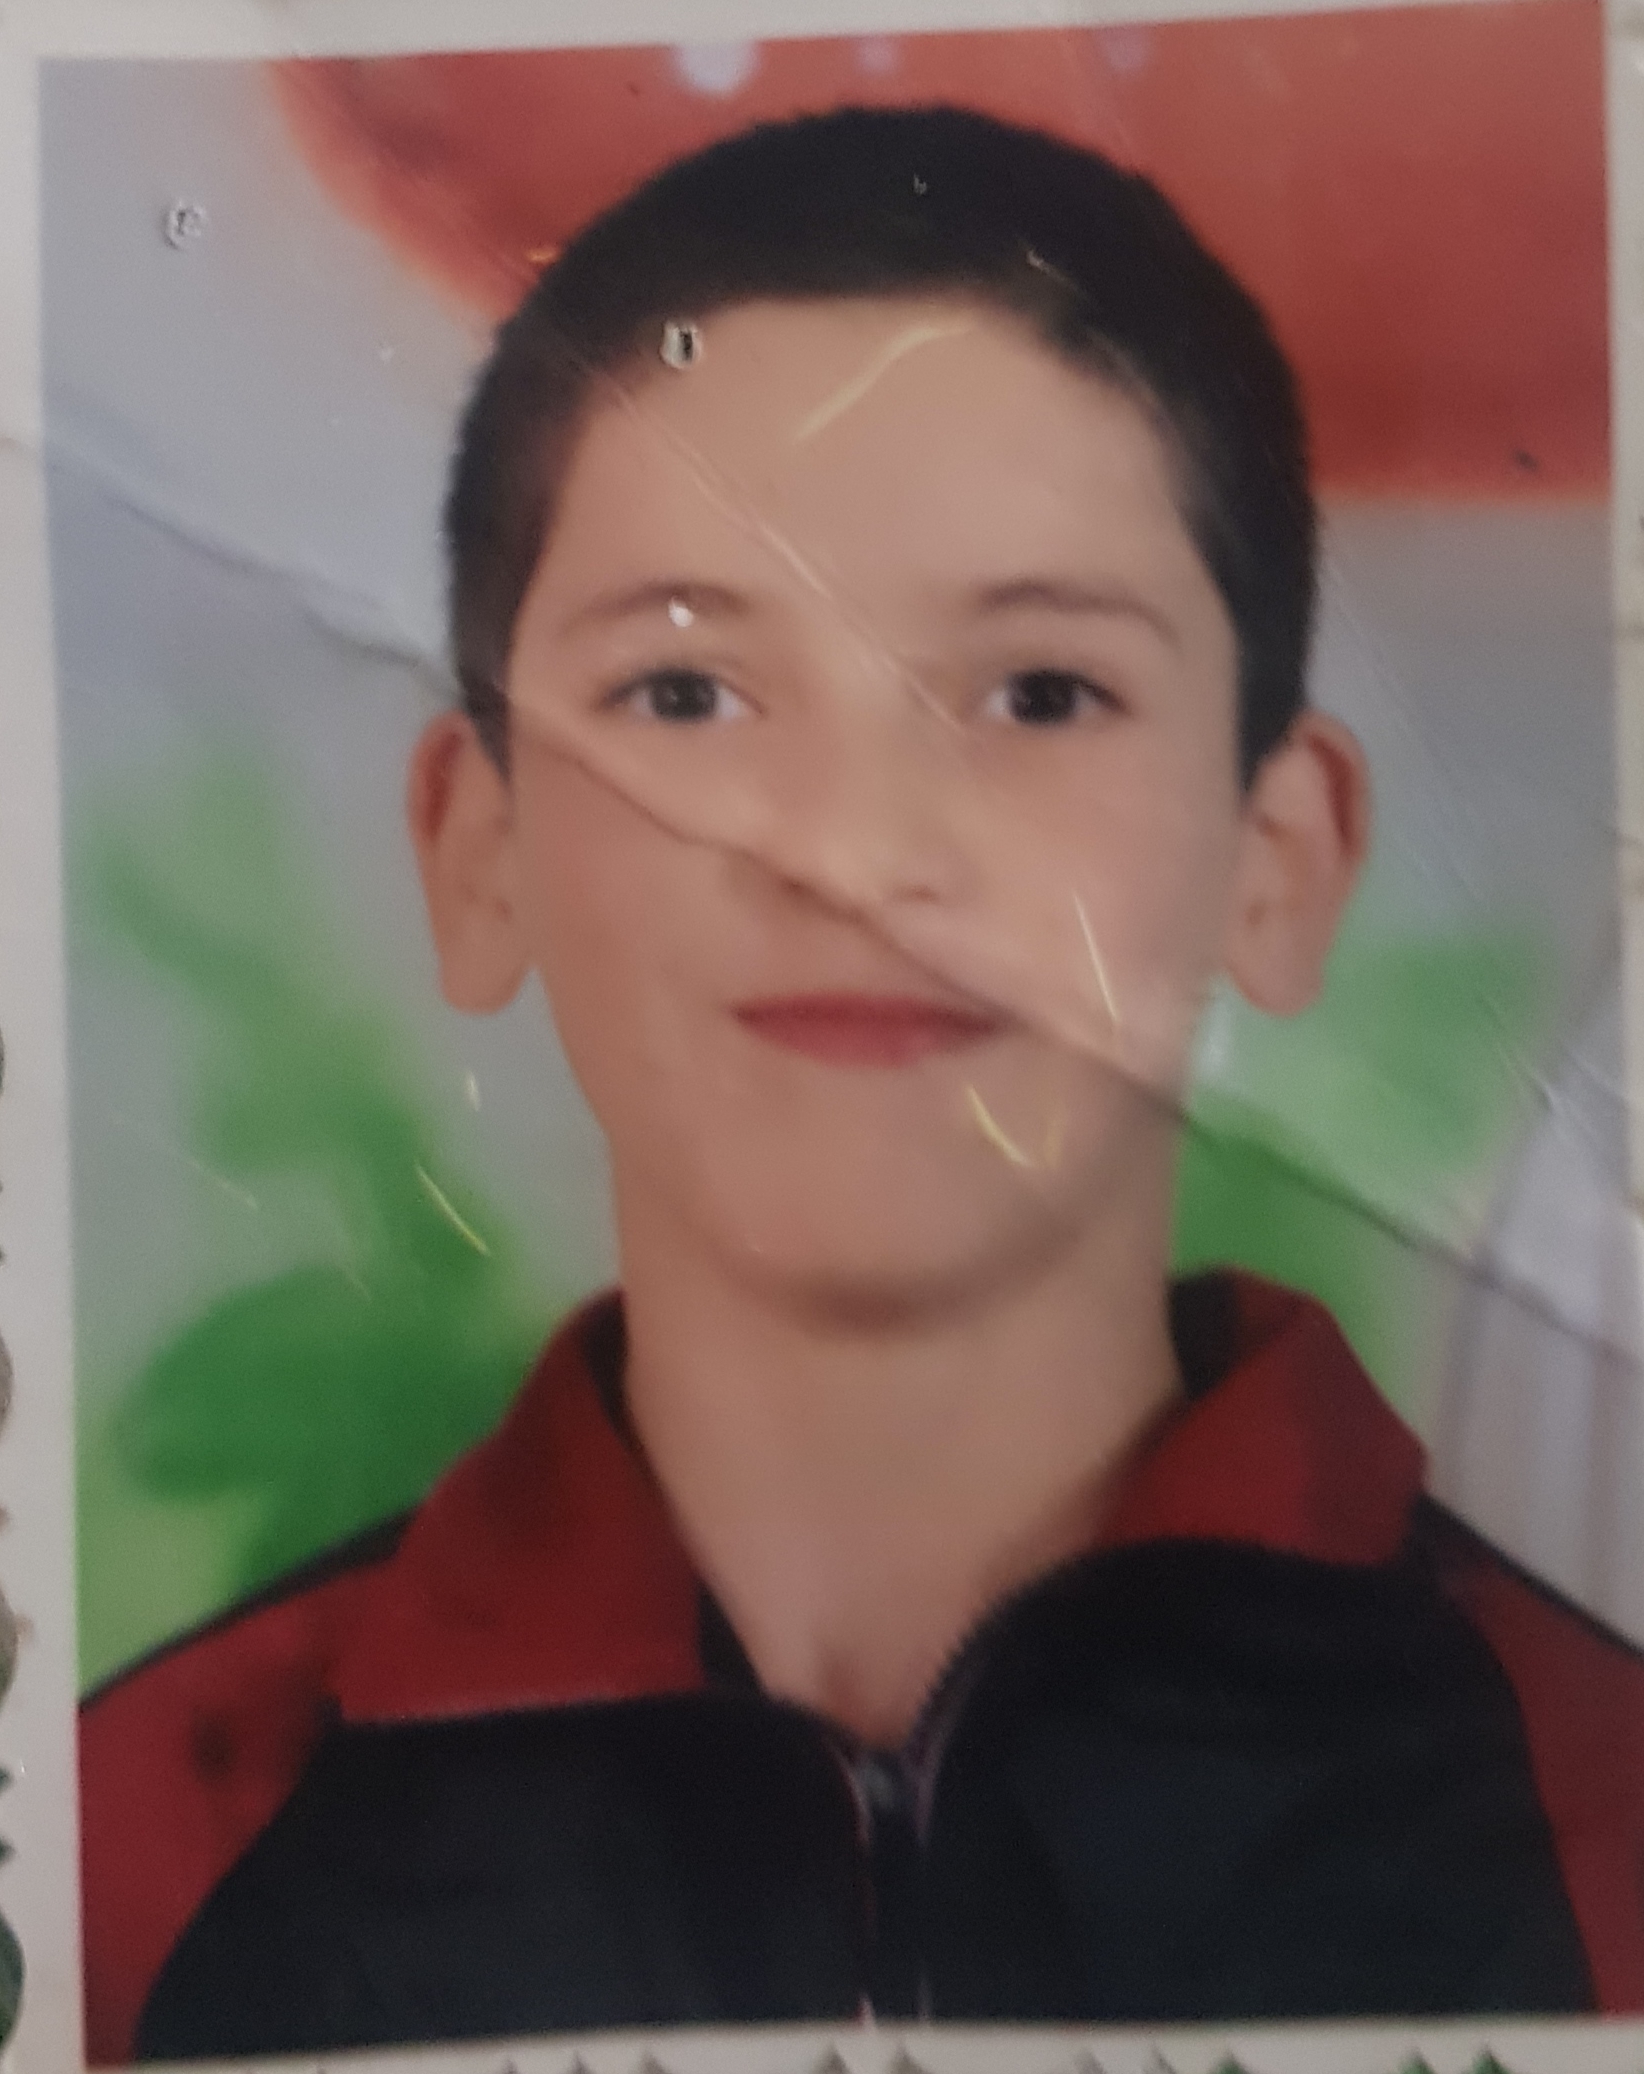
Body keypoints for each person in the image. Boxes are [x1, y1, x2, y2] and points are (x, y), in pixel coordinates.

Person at [79, 105, 1644, 2063]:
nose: (852, 846)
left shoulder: (1600, 1824)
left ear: (1280, 850)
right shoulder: (136, 1856)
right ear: (478, 846)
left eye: (1041, 691)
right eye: (685, 692)